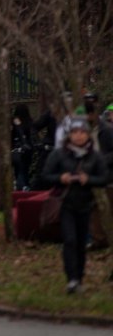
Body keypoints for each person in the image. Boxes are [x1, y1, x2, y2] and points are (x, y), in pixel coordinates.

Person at [40, 116, 108, 294]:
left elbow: (104, 177)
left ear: (88, 135)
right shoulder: (59, 154)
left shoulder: (94, 156)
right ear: (69, 135)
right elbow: (45, 175)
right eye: (75, 132)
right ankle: (71, 279)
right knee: (69, 240)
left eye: (82, 132)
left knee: (80, 243)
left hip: (85, 204)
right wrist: (60, 178)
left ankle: (79, 277)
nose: (78, 136)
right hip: (65, 203)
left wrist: (89, 179)